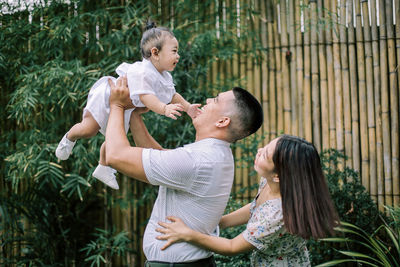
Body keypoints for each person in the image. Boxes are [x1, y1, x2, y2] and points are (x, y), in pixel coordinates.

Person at [105, 76, 263, 266]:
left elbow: (115, 156)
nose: (207, 101)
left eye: (215, 100)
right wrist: (133, 115)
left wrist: (117, 106)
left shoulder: (198, 160)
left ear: (222, 121)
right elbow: (161, 158)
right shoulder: (216, 154)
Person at [55, 22, 200, 190]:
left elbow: (173, 95)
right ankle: (69, 137)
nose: (178, 56)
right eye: (174, 51)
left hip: (125, 107)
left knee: (117, 138)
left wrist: (188, 107)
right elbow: (147, 98)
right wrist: (164, 108)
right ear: (155, 53)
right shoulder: (143, 72)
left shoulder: (164, 76)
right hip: (108, 96)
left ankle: (103, 166)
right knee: (89, 129)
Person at [155, 135, 339, 266]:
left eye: (265, 155)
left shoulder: (277, 214)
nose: (259, 151)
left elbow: (232, 246)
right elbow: (255, 207)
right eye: (264, 148)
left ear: (278, 176)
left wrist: (188, 234)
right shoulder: (273, 183)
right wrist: (218, 222)